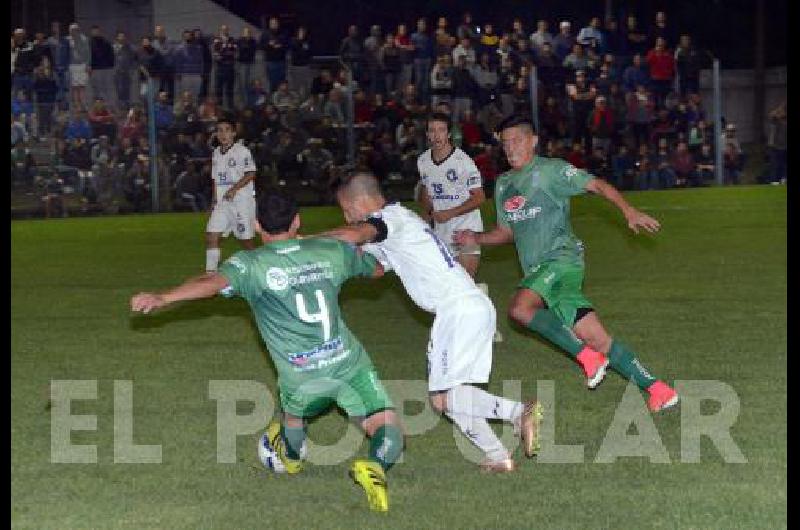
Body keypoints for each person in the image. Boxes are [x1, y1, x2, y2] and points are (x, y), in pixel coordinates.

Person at [130, 191, 404, 512]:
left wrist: (164, 297)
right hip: (346, 362)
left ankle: (289, 456)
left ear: (258, 225)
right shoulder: (331, 250)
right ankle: (376, 465)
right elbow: (376, 270)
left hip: (302, 375)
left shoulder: (251, 265)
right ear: (298, 220)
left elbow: (212, 281)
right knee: (386, 425)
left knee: (294, 417)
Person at [319, 172, 542, 473]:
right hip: (464, 308)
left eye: (347, 210)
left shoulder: (389, 219)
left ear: (361, 202)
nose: (348, 217)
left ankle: (518, 412)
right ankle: (498, 456)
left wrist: (300, 241)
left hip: (458, 309)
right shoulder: (394, 224)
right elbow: (375, 267)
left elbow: (355, 236)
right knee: (447, 396)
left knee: (445, 397)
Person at [453, 115, 679, 412]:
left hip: (561, 260)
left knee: (520, 309)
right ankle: (659, 389)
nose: (511, 148)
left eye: (517, 140)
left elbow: (596, 184)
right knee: (598, 339)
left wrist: (629, 211)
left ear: (533, 141)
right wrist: (476, 238)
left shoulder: (551, 171)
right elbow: (507, 232)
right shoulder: (505, 185)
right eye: (505, 143)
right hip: (545, 275)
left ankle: (588, 358)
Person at [416, 113, 503, 342]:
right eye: (432, 130)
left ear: (449, 133)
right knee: (453, 284)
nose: (436, 135)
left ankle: (482, 328)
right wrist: (426, 217)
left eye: (441, 130)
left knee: (464, 280)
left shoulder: (463, 161)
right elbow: (426, 190)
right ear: (427, 134)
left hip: (467, 227)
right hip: (441, 231)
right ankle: (472, 319)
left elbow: (480, 197)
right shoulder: (423, 161)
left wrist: (449, 213)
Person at [205, 115, 257, 272]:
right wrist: (214, 201)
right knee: (211, 235)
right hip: (222, 203)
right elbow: (215, 178)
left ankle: (258, 266)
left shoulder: (242, 151)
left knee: (246, 241)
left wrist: (234, 189)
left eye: (227, 130)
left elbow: (251, 173)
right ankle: (210, 274)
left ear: (234, 133)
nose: (223, 134)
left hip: (241, 202)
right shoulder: (215, 153)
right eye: (220, 130)